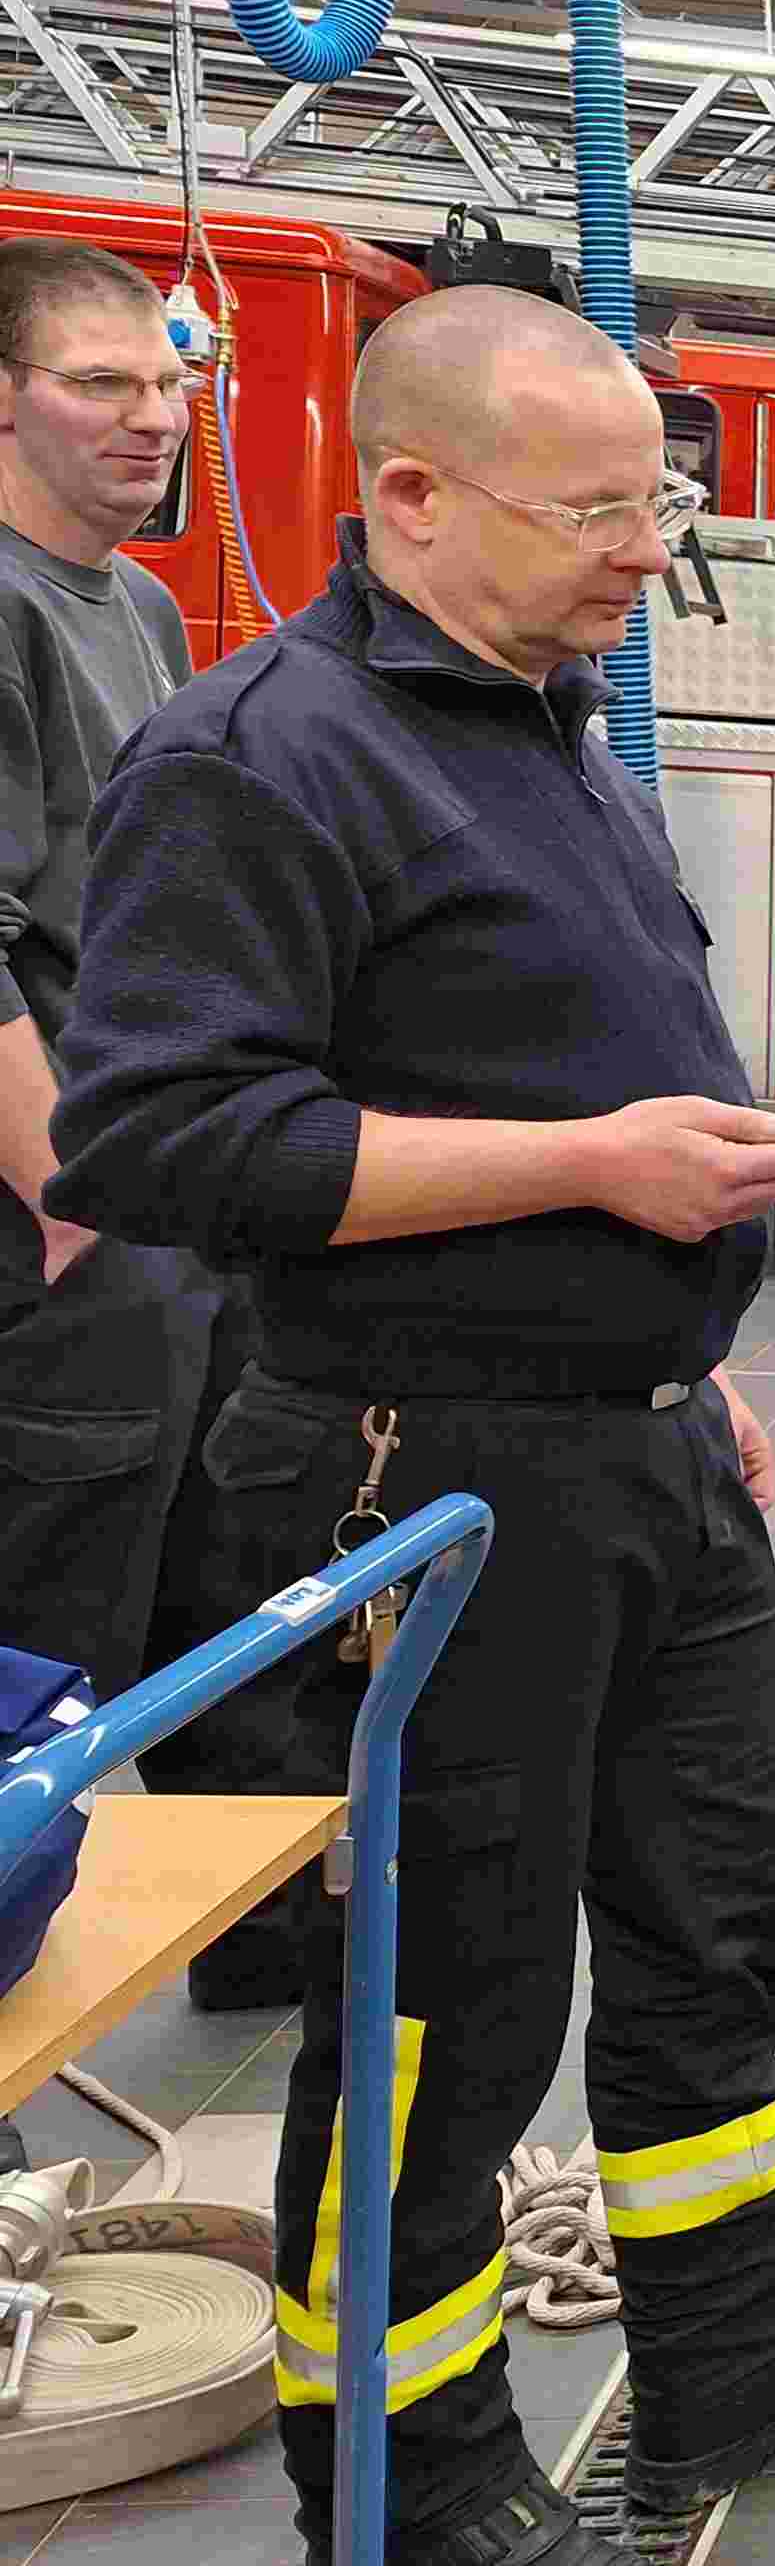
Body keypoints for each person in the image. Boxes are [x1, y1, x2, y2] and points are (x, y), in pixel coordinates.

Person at [47, 286, 775, 2566]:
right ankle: (419, 2484)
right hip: (419, 1480)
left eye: (656, 505)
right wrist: (592, 1173)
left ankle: (741, 2341)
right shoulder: (266, 760)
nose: (647, 552)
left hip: (635, 1452)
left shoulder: (546, 737)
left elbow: (555, 1064)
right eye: (597, 512)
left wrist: (677, 1336)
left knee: (710, 1923)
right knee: (443, 2008)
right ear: (414, 496)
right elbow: (159, 1140)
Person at [0, 237, 326, 2033]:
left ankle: (273, 1941)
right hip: (65, 1219)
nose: (148, 418)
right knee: (52, 1613)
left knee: (234, 1576)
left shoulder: (129, 604)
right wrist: (67, 1196)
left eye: (167, 384)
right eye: (97, 384)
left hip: (166, 1200)